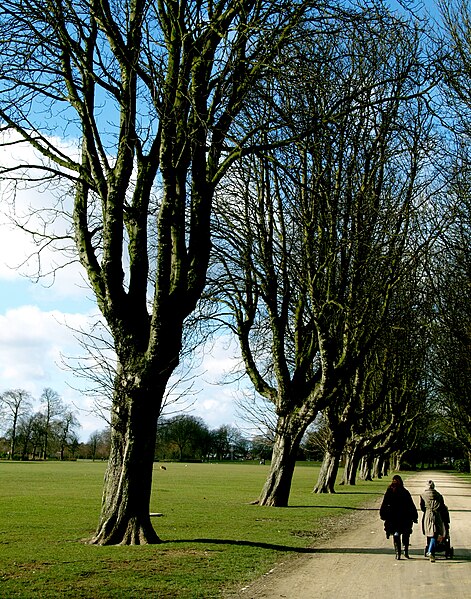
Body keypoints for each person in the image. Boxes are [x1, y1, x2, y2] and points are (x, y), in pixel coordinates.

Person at [380, 474, 418, 559]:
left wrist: (383, 514)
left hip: (393, 518)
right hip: (404, 517)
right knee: (406, 534)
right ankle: (405, 550)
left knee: (396, 534)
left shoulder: (389, 492)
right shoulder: (404, 492)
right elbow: (411, 505)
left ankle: (398, 552)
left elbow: (384, 504)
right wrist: (414, 516)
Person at [420, 480, 448, 563]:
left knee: (431, 533)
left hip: (428, 514)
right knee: (435, 534)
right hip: (437, 515)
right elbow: (442, 507)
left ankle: (430, 551)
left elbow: (422, 507)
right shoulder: (439, 495)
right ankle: (431, 551)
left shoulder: (423, 495)